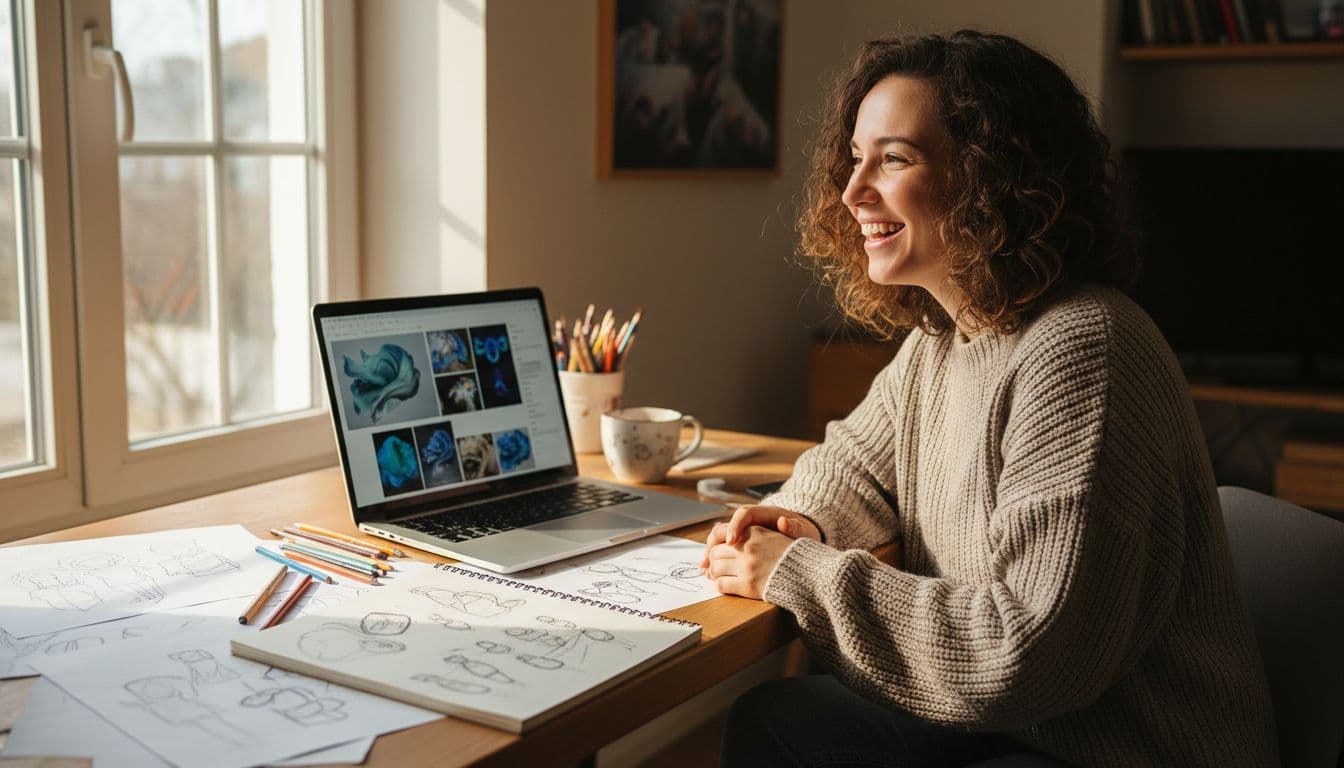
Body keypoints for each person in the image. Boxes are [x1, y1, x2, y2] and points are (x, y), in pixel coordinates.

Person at [701, 30, 1279, 767]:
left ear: (992, 178)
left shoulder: (1081, 348)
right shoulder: (949, 335)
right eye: (855, 158)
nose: (853, 192)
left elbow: (1025, 655)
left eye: (896, 158)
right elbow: (852, 462)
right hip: (1028, 725)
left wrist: (798, 571)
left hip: (1117, 747)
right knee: (778, 720)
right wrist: (800, 518)